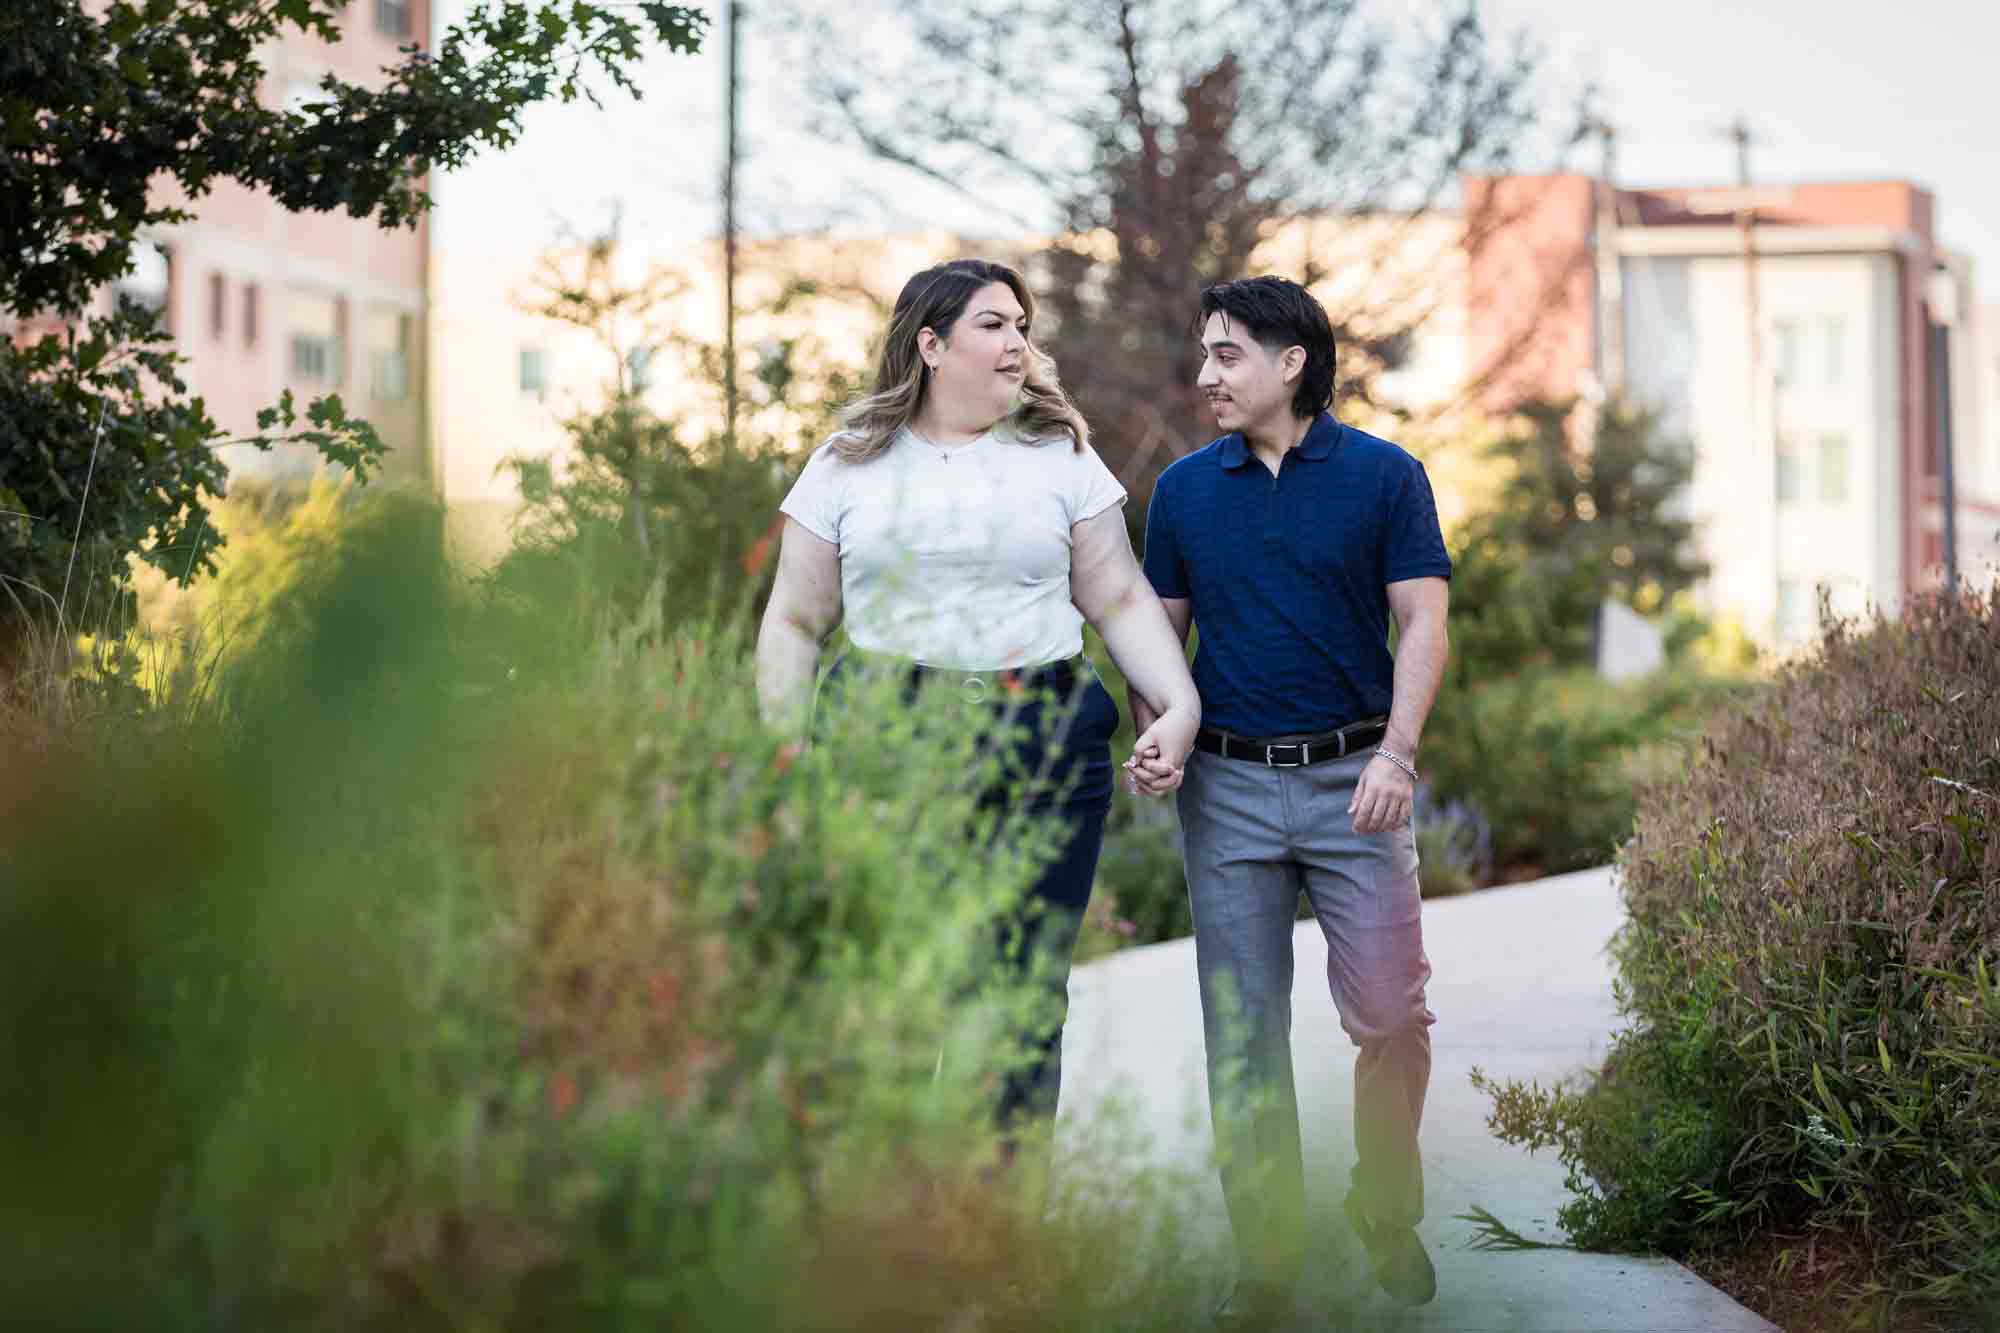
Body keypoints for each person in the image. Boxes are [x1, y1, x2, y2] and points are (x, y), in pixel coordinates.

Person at [755, 257, 1202, 1135]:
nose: (1018, 343)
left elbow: (1116, 597)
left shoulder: (1060, 457)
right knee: (894, 985)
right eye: (995, 324)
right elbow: (794, 624)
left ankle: (1001, 1238)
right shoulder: (846, 464)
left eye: (1023, 327)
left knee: (1025, 993)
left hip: (1042, 743)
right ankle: (892, 1226)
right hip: (888, 744)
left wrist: (1178, 705)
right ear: (931, 343)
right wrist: (786, 754)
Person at [1129, 276, 1451, 1325]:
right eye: (1203, 355)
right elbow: (1155, 640)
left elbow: (1423, 623)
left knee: (1391, 1016)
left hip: (1355, 782)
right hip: (1222, 790)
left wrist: (1397, 756)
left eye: (1224, 354)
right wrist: (1156, 730)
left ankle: (1381, 1203)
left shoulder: (1384, 476)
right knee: (1243, 1031)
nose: (1204, 375)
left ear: (1289, 362)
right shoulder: (1183, 490)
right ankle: (1263, 1259)